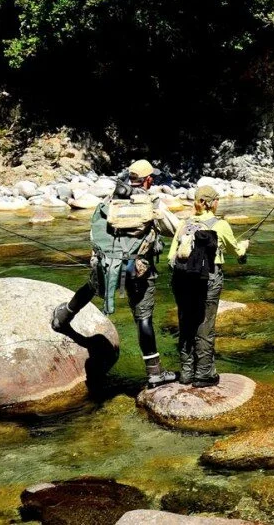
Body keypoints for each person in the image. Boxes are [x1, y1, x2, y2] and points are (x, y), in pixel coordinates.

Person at [51, 159, 181, 388]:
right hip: (138, 271)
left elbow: (95, 233)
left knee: (91, 287)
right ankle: (154, 372)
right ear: (148, 180)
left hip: (107, 265)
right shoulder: (152, 203)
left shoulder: (109, 200)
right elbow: (175, 229)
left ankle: (63, 316)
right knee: (143, 319)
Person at [167, 184, 248, 387]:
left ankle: (186, 373)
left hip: (181, 279)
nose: (218, 203)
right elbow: (237, 252)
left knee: (185, 322)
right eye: (217, 200)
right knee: (205, 325)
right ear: (209, 203)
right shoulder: (220, 225)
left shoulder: (184, 224)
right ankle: (204, 374)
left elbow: (170, 257)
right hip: (208, 279)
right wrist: (245, 246)